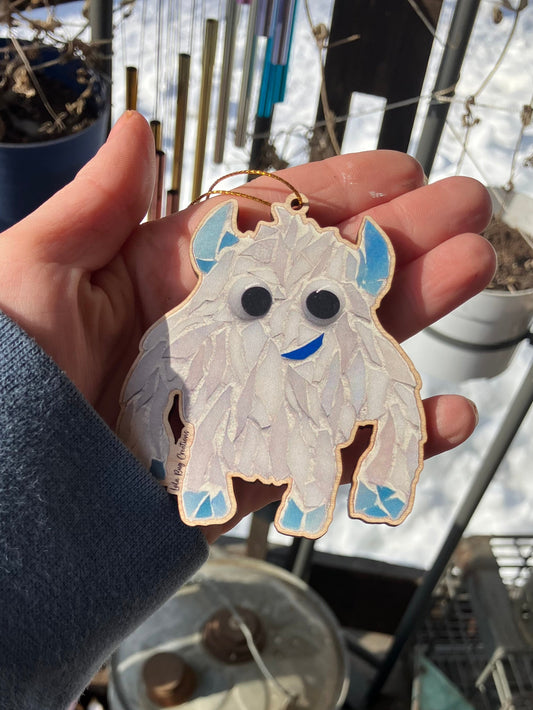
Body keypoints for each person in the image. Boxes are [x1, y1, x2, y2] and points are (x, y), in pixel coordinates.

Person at [0, 111, 495, 709]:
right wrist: (150, 447)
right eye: (258, 299)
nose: (287, 325)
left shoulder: (359, 346)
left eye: (320, 304)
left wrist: (385, 467)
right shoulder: (197, 331)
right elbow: (153, 376)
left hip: (310, 447)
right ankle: (216, 484)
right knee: (206, 445)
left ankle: (292, 494)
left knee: (313, 466)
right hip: (215, 441)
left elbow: (394, 395)